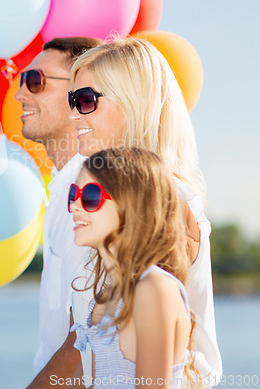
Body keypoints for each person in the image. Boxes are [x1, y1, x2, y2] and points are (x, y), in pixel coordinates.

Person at [26, 37, 221, 388]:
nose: (73, 114)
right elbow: (94, 350)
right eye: (72, 100)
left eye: (86, 101)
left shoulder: (166, 203)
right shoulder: (102, 199)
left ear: (133, 105)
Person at [69, 148, 200, 389]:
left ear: (132, 206)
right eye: (73, 194)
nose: (75, 206)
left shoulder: (154, 289)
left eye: (89, 196)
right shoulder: (104, 298)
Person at [15, 37, 103, 378]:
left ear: (80, 92)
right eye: (23, 82)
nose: (21, 94)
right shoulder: (64, 184)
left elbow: (88, 334)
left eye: (36, 81)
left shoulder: (87, 188)